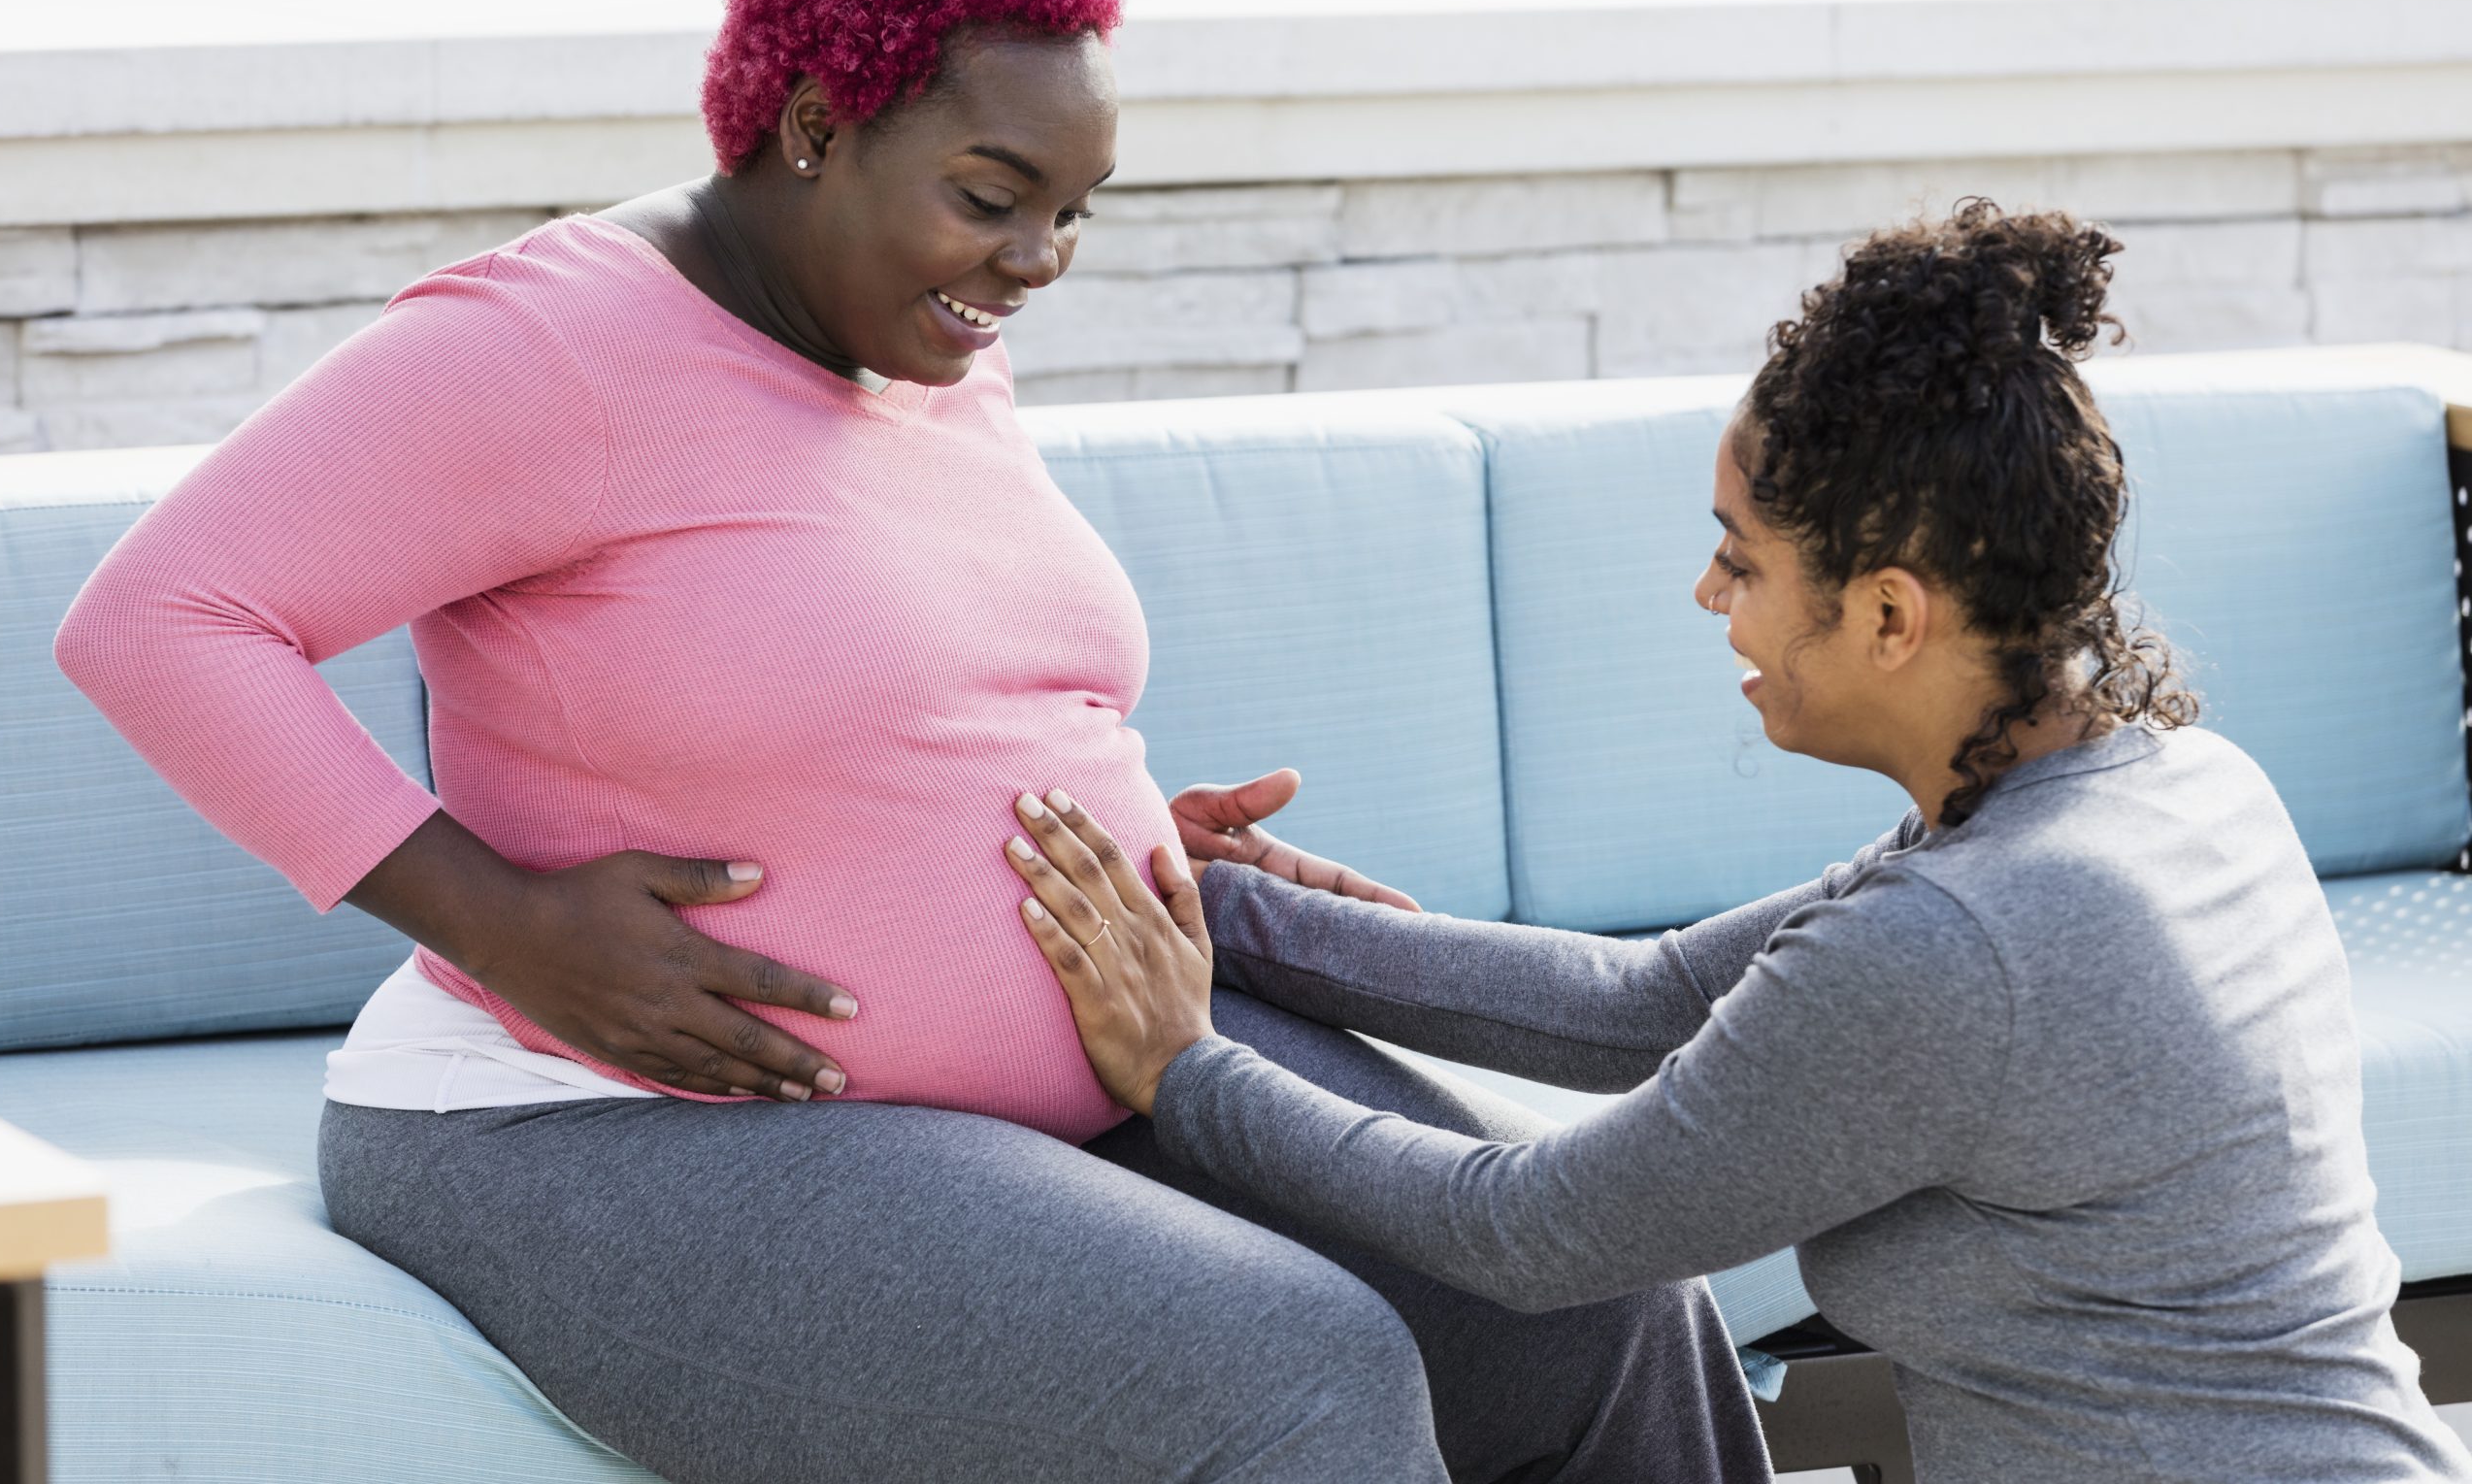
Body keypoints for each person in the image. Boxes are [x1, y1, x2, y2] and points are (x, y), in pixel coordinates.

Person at [51, 0, 1774, 1478]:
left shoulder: (913, 338)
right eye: (993, 197)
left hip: (1059, 1079)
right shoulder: (558, 345)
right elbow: (161, 621)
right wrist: (505, 925)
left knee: (1591, 1288)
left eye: (1075, 211)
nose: (1037, 262)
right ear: (815, 124)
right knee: (1291, 1378)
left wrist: (1098, 819)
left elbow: (885, 684)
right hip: (597, 1129)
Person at [1005, 200, 2472, 1482]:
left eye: (1744, 558)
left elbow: (1524, 1234)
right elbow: (1632, 1001)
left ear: (1891, 614)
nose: (1712, 598)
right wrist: (1224, 907)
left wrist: (1186, 1071)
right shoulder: (2169, 789)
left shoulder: (1958, 945)